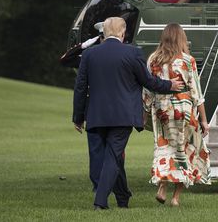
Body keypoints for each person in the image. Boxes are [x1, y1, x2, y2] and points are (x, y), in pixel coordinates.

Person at [72, 17, 183, 210]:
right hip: (123, 115)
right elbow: (148, 81)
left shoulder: (89, 55)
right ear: (122, 33)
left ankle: (120, 198)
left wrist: (78, 117)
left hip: (96, 115)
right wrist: (170, 85)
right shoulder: (132, 53)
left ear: (105, 33)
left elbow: (80, 87)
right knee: (114, 157)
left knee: (108, 158)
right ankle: (103, 200)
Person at [143, 23, 211, 207]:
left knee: (164, 148)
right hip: (185, 112)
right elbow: (197, 93)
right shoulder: (188, 61)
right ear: (181, 38)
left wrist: (144, 114)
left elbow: (147, 91)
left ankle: (162, 187)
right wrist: (204, 121)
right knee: (185, 150)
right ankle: (176, 197)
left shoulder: (153, 60)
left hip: (162, 112)